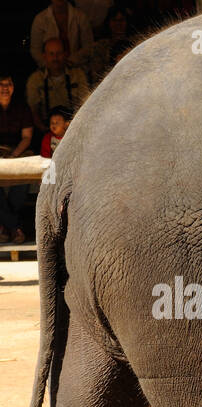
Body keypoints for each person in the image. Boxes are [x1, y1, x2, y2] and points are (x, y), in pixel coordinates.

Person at [0, 73, 37, 244]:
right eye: (0, 84)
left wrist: (13, 156)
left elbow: (27, 137)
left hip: (18, 151)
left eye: (8, 84)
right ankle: (15, 227)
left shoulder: (22, 107)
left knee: (23, 176)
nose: (4, 88)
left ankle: (4, 225)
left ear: (13, 87)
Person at [27, 37, 90, 136]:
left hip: (74, 129)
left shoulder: (78, 75)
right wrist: (46, 131)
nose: (55, 57)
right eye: (51, 54)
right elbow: (33, 111)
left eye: (59, 53)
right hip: (46, 131)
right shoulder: (35, 79)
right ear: (44, 56)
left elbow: (85, 105)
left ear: (65, 54)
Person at [30, 0, 95, 70]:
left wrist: (71, 62)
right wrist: (51, 66)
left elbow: (89, 47)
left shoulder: (81, 17)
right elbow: (35, 51)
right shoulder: (40, 20)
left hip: (77, 68)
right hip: (48, 71)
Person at [90, 5, 137, 84]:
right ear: (109, 23)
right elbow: (96, 76)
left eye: (121, 20)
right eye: (114, 20)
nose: (118, 24)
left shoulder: (136, 44)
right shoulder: (99, 46)